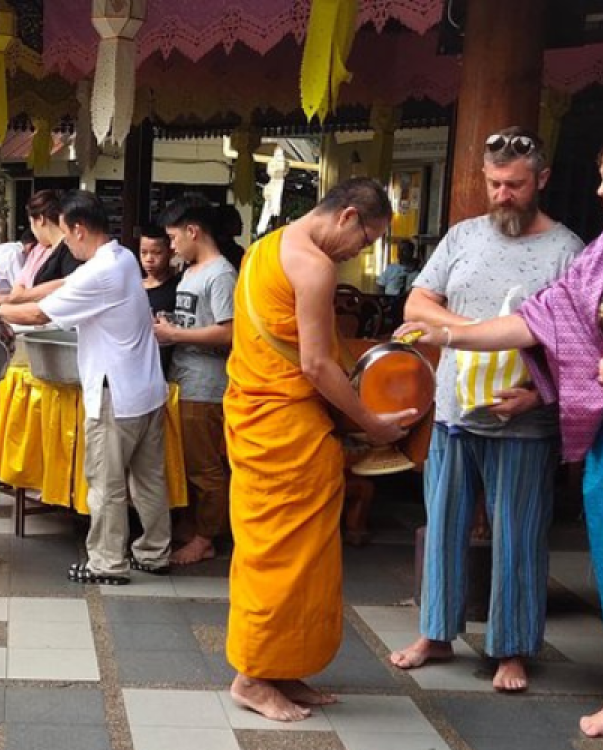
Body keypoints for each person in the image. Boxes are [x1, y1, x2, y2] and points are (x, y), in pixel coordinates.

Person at [397, 134, 603, 738]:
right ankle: (436, 632)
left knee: (519, 533)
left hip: (526, 420)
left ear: (541, 179)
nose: (503, 194)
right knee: (444, 520)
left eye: (515, 184)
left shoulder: (570, 248)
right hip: (456, 408)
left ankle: (512, 646)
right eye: (494, 183)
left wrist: (538, 392)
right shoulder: (467, 236)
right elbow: (423, 305)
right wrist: (464, 332)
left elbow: (571, 337)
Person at [225, 178, 408, 721]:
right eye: (368, 239)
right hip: (283, 428)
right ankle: (252, 677)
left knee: (303, 558)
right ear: (348, 216)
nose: (362, 252)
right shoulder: (315, 265)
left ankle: (281, 667)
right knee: (280, 558)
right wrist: (370, 421)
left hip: (268, 417)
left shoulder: (267, 247)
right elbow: (315, 364)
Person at [0, 190, 172, 585]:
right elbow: (62, 285)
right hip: (148, 390)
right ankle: (154, 551)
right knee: (149, 478)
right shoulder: (122, 257)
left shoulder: (101, 273)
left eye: (65, 234)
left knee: (106, 483)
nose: (63, 243)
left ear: (79, 230)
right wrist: (11, 295)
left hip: (115, 394)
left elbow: (38, 314)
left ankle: (106, 563)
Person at [153, 197, 238, 565]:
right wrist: (171, 325)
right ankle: (194, 527)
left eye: (173, 238)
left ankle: (206, 537)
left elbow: (228, 333)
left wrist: (175, 334)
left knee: (205, 467)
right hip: (183, 379)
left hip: (206, 385)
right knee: (186, 462)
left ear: (193, 231)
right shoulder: (191, 271)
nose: (171, 246)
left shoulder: (221, 274)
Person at [0, 190, 70, 305]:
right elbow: (19, 284)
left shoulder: (70, 250)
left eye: (31, 223)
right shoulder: (38, 249)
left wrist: (19, 297)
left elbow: (68, 285)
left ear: (40, 219)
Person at [140, 224, 180, 316]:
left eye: (157, 253)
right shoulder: (133, 287)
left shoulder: (177, 289)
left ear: (170, 252)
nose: (149, 259)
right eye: (144, 252)